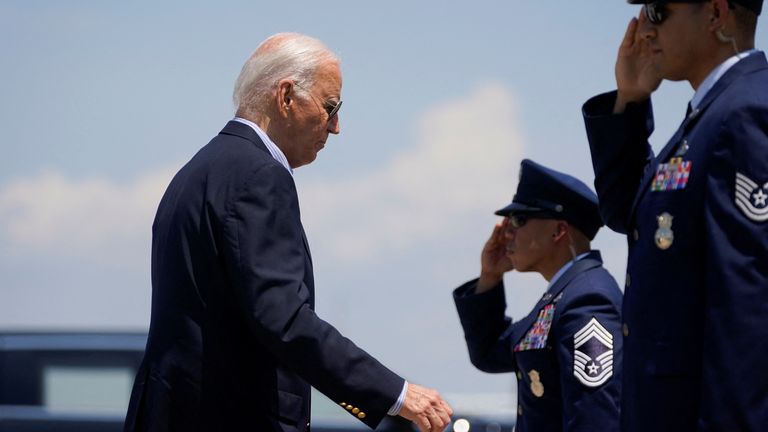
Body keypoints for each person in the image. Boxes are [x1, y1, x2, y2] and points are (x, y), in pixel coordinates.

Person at [123, 33, 452, 432]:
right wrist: (397, 393)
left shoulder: (198, 171)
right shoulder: (259, 175)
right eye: (331, 107)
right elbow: (284, 319)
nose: (335, 127)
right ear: (286, 97)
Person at [581, 0, 768, 430]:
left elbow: (748, 313)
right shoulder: (709, 117)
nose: (644, 29)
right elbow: (626, 213)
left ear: (717, 14)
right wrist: (629, 99)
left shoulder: (746, 113)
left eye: (657, 10)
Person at [452, 159, 622, 432]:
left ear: (558, 230)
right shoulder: (564, 296)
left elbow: (595, 418)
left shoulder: (588, 299)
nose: (507, 232)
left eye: (519, 220)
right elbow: (489, 353)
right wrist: (490, 277)